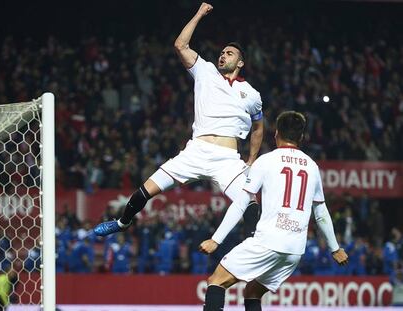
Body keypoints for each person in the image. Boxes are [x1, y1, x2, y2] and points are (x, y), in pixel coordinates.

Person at [94, 2, 264, 238]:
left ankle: (250, 248)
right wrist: (199, 14)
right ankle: (122, 223)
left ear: (241, 63)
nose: (223, 55)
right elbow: (180, 45)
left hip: (227, 160)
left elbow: (258, 127)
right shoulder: (205, 71)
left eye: (230, 53)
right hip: (196, 151)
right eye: (222, 52)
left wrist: (252, 160)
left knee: (251, 204)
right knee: (146, 190)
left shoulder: (252, 94)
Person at [199, 111, 348, 311]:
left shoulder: (266, 161)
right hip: (294, 250)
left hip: (268, 242)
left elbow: (241, 203)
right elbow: (320, 212)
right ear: (301, 138)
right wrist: (335, 248)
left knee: (216, 281)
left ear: (276, 134)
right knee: (252, 292)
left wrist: (216, 239)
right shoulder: (312, 167)